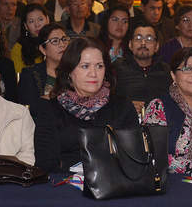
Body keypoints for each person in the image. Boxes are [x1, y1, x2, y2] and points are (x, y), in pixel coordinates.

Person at [31, 37, 138, 173]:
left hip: (115, 181)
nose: (93, 74)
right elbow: (45, 163)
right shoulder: (50, 110)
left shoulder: (122, 107)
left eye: (99, 66)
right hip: (64, 183)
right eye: (85, 66)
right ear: (69, 71)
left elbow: (134, 156)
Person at [113, 21, 173, 112]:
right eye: (138, 38)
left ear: (156, 46)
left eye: (149, 39)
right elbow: (107, 100)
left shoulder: (166, 70)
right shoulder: (117, 68)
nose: (143, 43)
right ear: (130, 44)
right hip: (124, 118)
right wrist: (125, 106)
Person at [17, 23, 67, 104]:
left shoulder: (75, 71)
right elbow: (28, 105)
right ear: (43, 49)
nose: (62, 44)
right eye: (55, 41)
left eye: (64, 39)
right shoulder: (30, 74)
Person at [10, 4, 50, 72]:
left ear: (47, 19)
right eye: (31, 21)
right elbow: (19, 76)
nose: (37, 25)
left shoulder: (58, 41)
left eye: (40, 19)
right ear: (26, 26)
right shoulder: (18, 48)